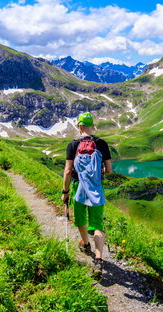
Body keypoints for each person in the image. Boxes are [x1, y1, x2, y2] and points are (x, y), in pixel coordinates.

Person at [61, 112, 112, 276]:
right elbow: (109, 170)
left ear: (80, 126)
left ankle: (86, 244)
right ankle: (98, 259)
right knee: (97, 224)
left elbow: (68, 171)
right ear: (92, 126)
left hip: (78, 188)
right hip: (96, 189)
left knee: (81, 218)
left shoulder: (73, 145)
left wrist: (65, 192)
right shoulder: (102, 144)